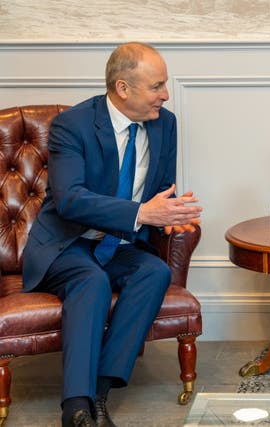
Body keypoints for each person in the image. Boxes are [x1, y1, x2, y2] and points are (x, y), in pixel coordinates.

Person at [22, 42, 203, 427]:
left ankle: (100, 391)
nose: (165, 95)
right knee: (90, 281)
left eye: (164, 85)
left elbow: (160, 190)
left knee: (154, 272)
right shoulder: (74, 125)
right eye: (156, 86)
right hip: (67, 243)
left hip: (121, 243)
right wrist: (142, 212)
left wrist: (169, 213)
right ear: (123, 88)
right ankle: (74, 408)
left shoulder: (164, 123)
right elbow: (70, 200)